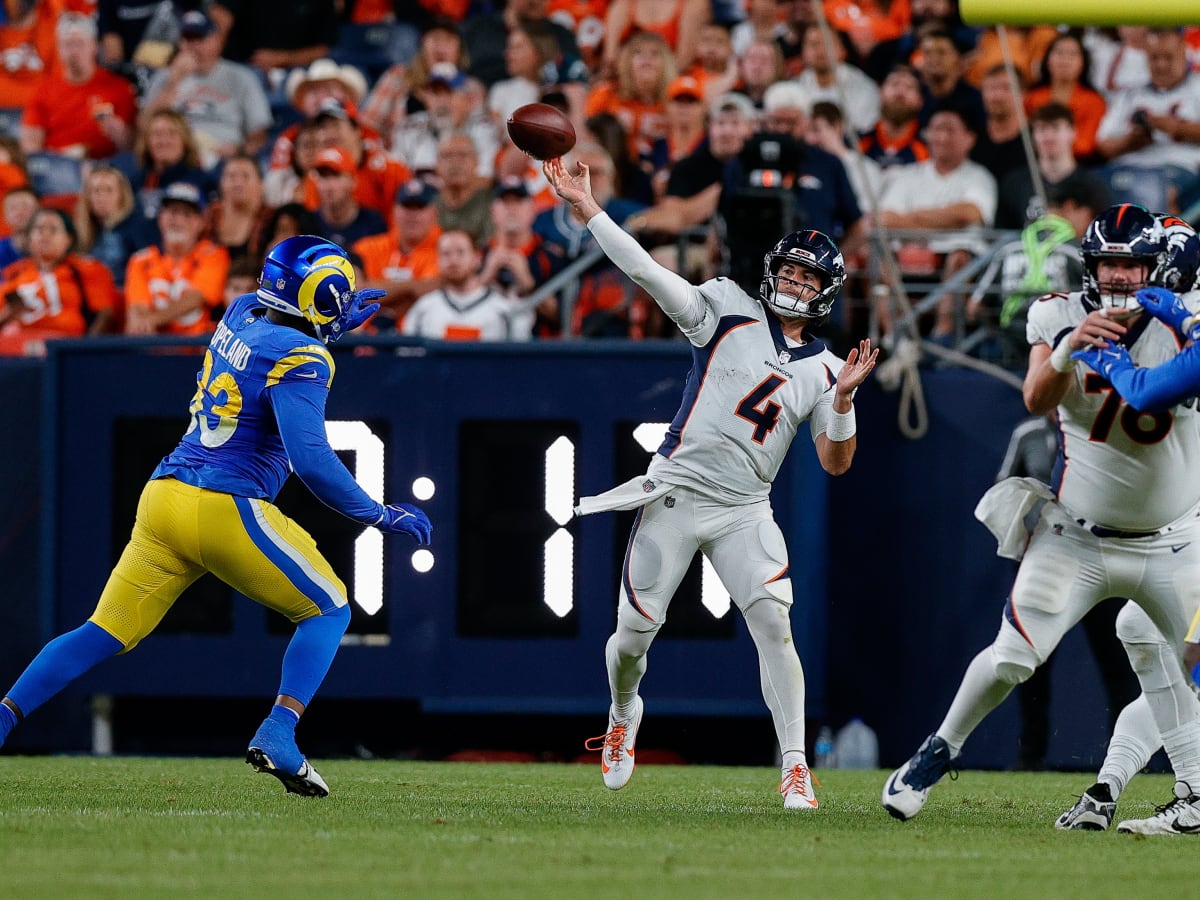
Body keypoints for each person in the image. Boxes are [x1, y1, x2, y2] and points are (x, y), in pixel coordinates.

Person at [0, 235, 433, 796]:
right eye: (338, 295)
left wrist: (326, 322)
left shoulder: (240, 309)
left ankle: (3, 718)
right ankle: (279, 730)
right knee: (328, 608)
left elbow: (276, 338)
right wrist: (378, 514)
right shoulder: (306, 357)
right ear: (322, 296)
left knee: (100, 631)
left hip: (164, 496)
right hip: (225, 504)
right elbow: (312, 461)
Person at [543, 154, 878, 809]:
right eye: (788, 270)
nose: (794, 283)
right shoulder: (725, 307)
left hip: (743, 510)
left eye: (809, 278)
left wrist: (841, 403)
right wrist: (590, 212)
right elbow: (645, 270)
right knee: (632, 637)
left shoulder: (829, 369)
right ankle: (622, 713)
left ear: (827, 292)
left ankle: (794, 765)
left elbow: (836, 465)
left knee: (774, 626)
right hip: (672, 492)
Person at [882, 203, 1200, 835]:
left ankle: (1175, 795)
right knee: (1011, 657)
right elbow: (1035, 396)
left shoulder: (1185, 321)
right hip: (1077, 534)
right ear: (1090, 267)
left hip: (1176, 541)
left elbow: (1145, 393)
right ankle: (938, 751)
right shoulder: (1058, 313)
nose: (1119, 279)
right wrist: (1064, 355)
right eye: (1109, 264)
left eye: (1133, 265)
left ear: (1156, 268)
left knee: (1185, 664)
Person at [20, 12, 137, 161]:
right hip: (58, 166)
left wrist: (118, 131)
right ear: (59, 49)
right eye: (68, 44)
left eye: (79, 43)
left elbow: (133, 145)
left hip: (107, 165)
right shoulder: (43, 91)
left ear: (94, 46)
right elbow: (30, 146)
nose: (74, 52)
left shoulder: (119, 88)